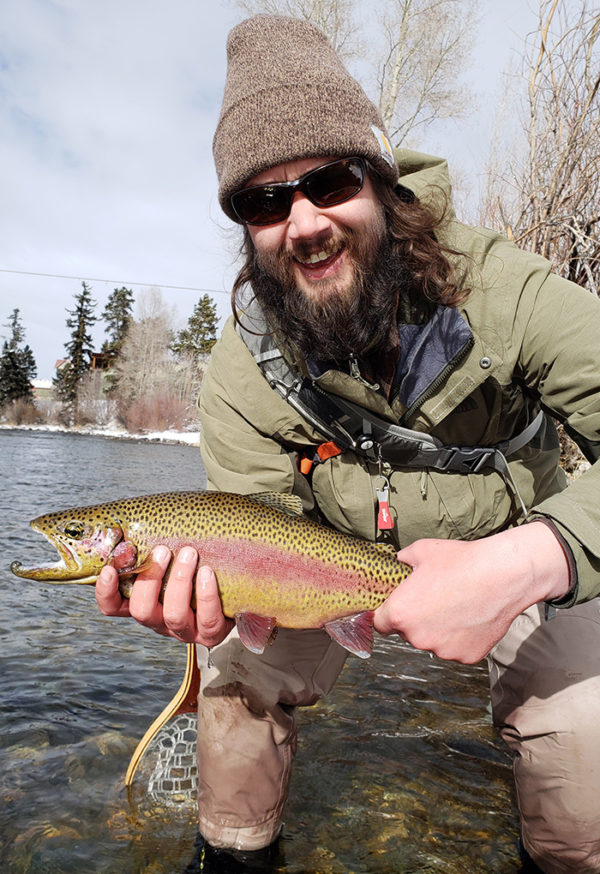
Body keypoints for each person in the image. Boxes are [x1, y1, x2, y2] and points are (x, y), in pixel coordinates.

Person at [96, 14, 600, 873]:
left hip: (516, 550)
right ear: (246, 227)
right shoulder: (242, 372)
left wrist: (534, 559)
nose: (303, 222)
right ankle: (237, 858)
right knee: (231, 677)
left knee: (586, 737)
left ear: (381, 183)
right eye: (264, 201)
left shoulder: (507, 292)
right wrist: (209, 599)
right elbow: (251, 529)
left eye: (329, 182)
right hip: (322, 569)